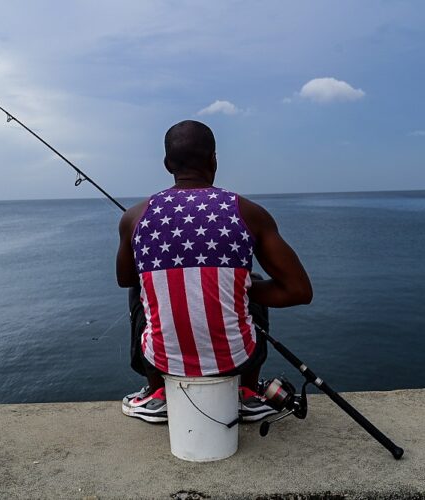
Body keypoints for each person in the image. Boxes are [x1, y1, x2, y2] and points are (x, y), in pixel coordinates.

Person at [116, 120, 312, 423]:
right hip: (236, 359)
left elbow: (125, 278)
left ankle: (159, 394)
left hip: (163, 360)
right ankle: (246, 392)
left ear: (167, 164)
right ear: (214, 159)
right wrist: (243, 288)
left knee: (140, 285)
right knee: (253, 280)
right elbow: (298, 290)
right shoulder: (248, 213)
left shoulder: (134, 217)